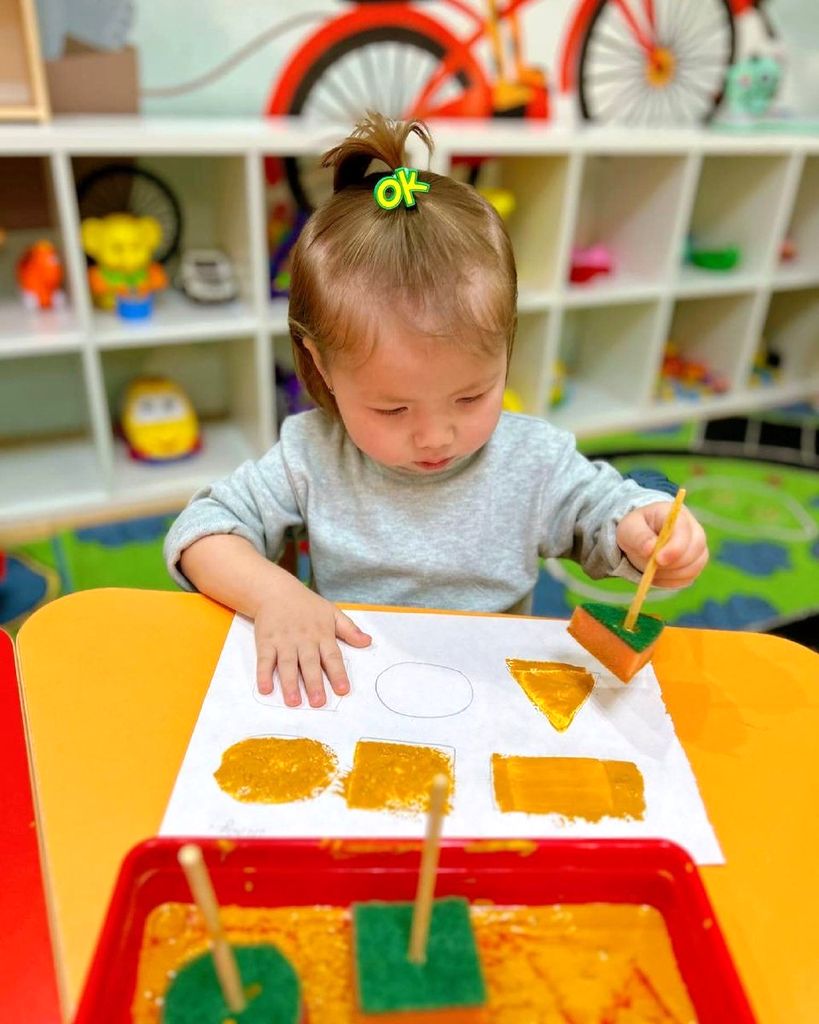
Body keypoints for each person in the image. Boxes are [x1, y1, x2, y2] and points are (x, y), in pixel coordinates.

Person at [164, 113, 708, 709]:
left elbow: (603, 512)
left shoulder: (534, 460)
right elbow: (200, 532)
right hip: (353, 688)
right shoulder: (312, 454)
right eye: (393, 408)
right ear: (322, 367)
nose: (435, 435)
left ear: (507, 347)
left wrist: (641, 529)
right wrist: (276, 595)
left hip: (491, 696)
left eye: (470, 397)